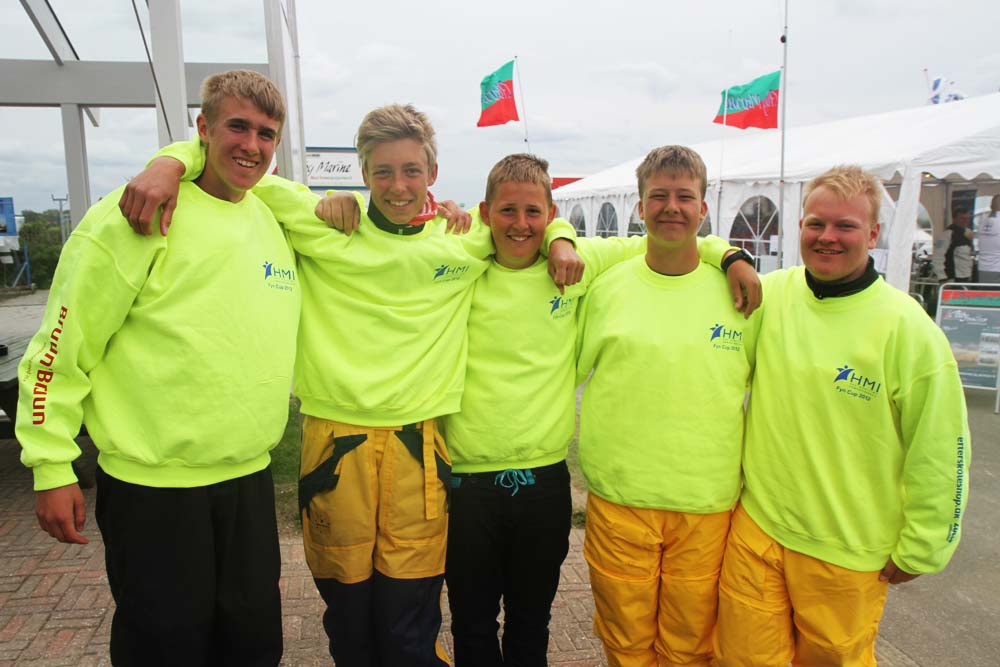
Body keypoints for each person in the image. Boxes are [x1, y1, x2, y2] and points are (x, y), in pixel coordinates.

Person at [118, 104, 583, 667]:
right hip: (336, 444)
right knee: (349, 614)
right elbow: (238, 164)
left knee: (410, 619)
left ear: (432, 175)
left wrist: (561, 236)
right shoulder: (322, 219)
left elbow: (533, 219)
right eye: (382, 171)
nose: (398, 185)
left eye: (412, 171)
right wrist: (168, 162)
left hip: (419, 446)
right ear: (361, 173)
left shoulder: (464, 240)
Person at [16, 70, 298, 666]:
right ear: (202, 129)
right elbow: (60, 350)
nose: (251, 145)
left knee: (252, 647)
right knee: (164, 649)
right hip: (154, 489)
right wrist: (50, 464)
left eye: (266, 133)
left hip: (247, 481)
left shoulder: (273, 217)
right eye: (237, 127)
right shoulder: (135, 215)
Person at [439, 153, 758, 667]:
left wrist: (731, 254)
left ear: (549, 216)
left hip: (543, 479)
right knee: (472, 621)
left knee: (531, 620)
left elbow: (663, 240)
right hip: (468, 479)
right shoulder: (460, 269)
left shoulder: (575, 270)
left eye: (534, 214)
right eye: (507, 212)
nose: (520, 225)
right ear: (485, 212)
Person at [714, 165, 971, 667]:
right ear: (800, 226)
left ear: (873, 234)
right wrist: (725, 256)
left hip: (847, 551)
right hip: (758, 531)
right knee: (740, 659)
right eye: (816, 224)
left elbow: (941, 445)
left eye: (845, 227)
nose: (827, 237)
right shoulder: (775, 295)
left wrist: (924, 544)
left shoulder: (906, 329)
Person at [574, 145, 758, 667]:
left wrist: (730, 256)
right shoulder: (607, 289)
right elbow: (564, 373)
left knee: (689, 646)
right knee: (626, 642)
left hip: (706, 503)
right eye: (659, 196)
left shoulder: (742, 294)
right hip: (621, 498)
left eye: (685, 196)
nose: (671, 207)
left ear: (704, 207)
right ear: (639, 206)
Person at [944, 205, 974, 281]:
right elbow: (940, 255)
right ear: (954, 219)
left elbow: (970, 252)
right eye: (962, 218)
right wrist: (944, 277)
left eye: (967, 218)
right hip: (953, 276)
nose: (965, 221)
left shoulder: (968, 232)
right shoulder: (948, 233)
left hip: (966, 274)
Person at [976, 195, 1000, 283]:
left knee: (986, 295)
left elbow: (980, 244)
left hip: (983, 269)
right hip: (998, 269)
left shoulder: (983, 223)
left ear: (991, 207)